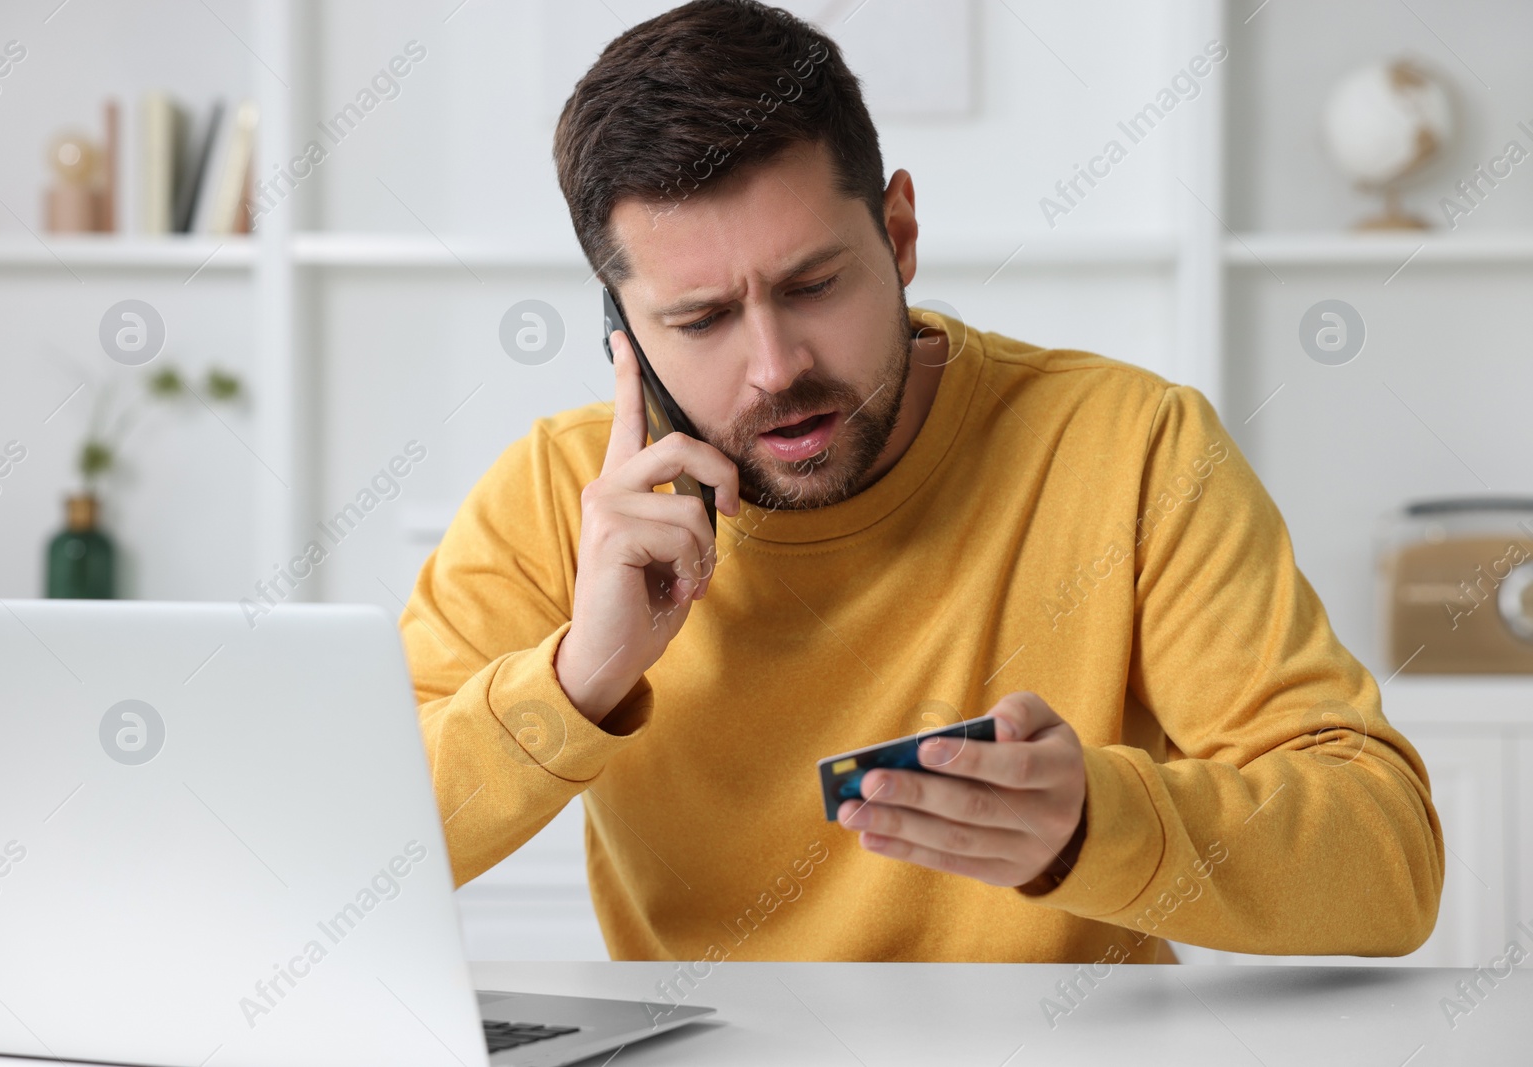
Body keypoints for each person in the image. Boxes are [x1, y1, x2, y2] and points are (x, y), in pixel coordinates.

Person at [401, 0, 1443, 966]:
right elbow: (349, 855)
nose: (775, 367)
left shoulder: (1131, 446)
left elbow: (1388, 865)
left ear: (897, 234)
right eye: (701, 319)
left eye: (813, 285)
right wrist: (580, 677)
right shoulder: (558, 491)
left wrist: (1096, 821)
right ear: (620, 331)